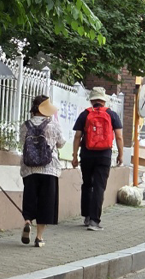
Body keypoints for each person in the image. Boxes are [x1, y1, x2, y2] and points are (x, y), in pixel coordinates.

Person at [71, 87, 123, 231]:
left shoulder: (84, 114)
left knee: (87, 184)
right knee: (99, 187)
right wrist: (121, 154)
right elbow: (119, 136)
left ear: (92, 100)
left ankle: (87, 216)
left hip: (87, 154)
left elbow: (77, 136)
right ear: (103, 100)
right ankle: (95, 221)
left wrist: (74, 155)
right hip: (104, 155)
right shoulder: (112, 115)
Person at [19, 95, 66, 247]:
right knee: (46, 203)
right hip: (49, 169)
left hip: (29, 169)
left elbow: (21, 142)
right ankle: (39, 238)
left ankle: (27, 221)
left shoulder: (25, 125)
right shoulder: (53, 124)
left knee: (30, 198)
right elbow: (61, 143)